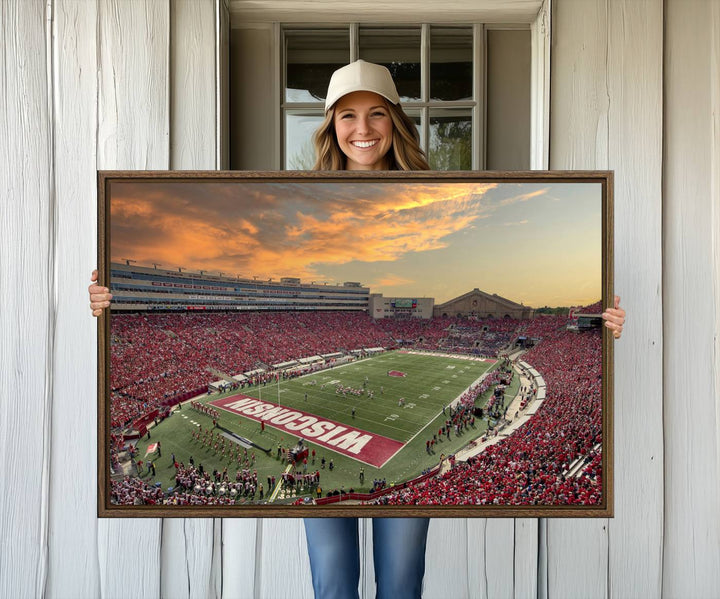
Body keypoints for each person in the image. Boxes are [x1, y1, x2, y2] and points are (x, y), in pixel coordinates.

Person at [87, 59, 626, 599]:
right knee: (332, 582)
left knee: (400, 582)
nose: (362, 129)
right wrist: (110, 297)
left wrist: (603, 324)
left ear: (395, 121)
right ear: (330, 126)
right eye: (347, 116)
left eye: (375, 115)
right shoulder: (303, 199)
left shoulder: (438, 193)